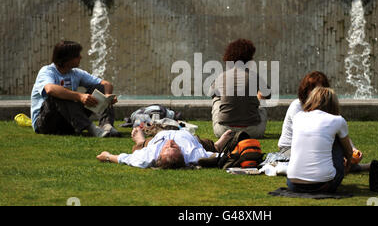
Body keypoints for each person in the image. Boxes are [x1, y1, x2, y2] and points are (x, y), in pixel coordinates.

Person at [31, 40, 119, 137]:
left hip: (68, 122)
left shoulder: (76, 73)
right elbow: (50, 89)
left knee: (100, 88)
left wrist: (107, 96)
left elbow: (106, 84)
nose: (80, 57)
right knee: (58, 94)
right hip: (45, 124)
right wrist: (80, 96)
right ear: (67, 58)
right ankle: (91, 128)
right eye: (77, 55)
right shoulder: (47, 71)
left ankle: (106, 125)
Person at [287, 87, 354, 193]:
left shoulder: (298, 117)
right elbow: (349, 151)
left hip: (293, 184)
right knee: (337, 140)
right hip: (324, 185)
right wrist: (349, 164)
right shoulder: (338, 120)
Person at [208, 39, 271, 139]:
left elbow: (211, 93)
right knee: (262, 96)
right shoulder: (255, 76)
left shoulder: (221, 77)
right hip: (253, 132)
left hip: (223, 132)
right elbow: (268, 94)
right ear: (249, 58)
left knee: (216, 98)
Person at [96, 127, 235, 169]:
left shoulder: (147, 156)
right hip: (190, 138)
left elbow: (124, 158)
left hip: (156, 139)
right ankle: (217, 144)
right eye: (174, 147)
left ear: (159, 155)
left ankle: (141, 140)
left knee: (139, 148)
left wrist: (107, 156)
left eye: (168, 147)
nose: (170, 143)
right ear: (182, 153)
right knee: (206, 145)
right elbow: (222, 158)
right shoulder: (194, 154)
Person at [278, 71, 330, 157]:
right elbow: (304, 134)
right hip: (290, 147)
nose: (316, 93)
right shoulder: (297, 106)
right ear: (306, 90)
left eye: (320, 89)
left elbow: (339, 132)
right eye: (313, 89)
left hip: (314, 147)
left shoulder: (327, 105)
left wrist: (352, 149)